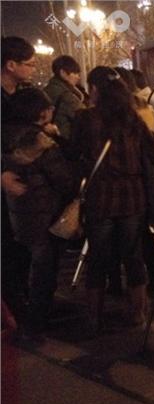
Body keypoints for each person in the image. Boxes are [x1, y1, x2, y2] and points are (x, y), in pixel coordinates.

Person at [71, 66, 154, 333]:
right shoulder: (133, 119)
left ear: (94, 89)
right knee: (133, 255)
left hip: (100, 196)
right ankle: (137, 313)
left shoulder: (86, 118)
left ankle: (93, 317)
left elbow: (74, 153)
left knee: (98, 257)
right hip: (133, 196)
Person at [2, 88, 75, 340]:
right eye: (48, 107)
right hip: (44, 212)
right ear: (39, 112)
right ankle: (35, 322)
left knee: (22, 265)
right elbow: (63, 179)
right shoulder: (41, 141)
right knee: (44, 269)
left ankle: (23, 313)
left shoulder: (6, 134)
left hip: (17, 213)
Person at [1, 36, 36, 323]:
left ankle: (23, 298)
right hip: (5, 184)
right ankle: (13, 311)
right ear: (10, 65)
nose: (34, 68)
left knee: (23, 245)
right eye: (30, 64)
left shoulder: (24, 95)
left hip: (25, 182)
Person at [44, 55, 85, 141]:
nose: (78, 77)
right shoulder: (67, 96)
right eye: (75, 73)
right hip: (64, 140)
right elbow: (86, 117)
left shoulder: (45, 90)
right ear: (63, 73)